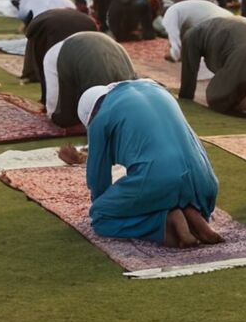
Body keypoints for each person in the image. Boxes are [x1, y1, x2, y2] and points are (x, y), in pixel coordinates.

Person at [76, 80, 221, 246]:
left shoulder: (100, 118)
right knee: (168, 190)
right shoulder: (158, 90)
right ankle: (191, 212)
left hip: (160, 180)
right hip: (205, 188)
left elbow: (98, 181)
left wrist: (110, 205)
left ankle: (166, 221)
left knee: (101, 216)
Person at [178, 17, 246, 114]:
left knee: (215, 97)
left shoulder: (191, 34)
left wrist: (185, 98)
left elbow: (190, 71)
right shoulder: (223, 23)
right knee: (240, 75)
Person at [44, 31, 137, 127]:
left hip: (82, 51)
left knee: (65, 118)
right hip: (110, 43)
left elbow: (53, 94)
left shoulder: (51, 55)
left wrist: (52, 114)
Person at [22, 8, 99, 99]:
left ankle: (48, 99)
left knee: (49, 64)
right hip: (78, 27)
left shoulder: (37, 30)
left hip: (51, 28)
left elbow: (39, 64)